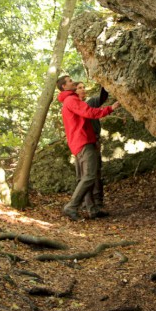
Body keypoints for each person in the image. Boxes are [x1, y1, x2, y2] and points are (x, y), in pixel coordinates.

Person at [57, 75, 120, 221]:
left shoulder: (70, 100)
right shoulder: (71, 100)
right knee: (89, 176)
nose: (73, 83)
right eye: (70, 82)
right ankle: (72, 206)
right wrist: (111, 108)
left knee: (88, 176)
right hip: (83, 143)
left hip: (83, 142)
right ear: (64, 87)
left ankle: (92, 209)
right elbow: (90, 112)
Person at [74, 82, 108, 214]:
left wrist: (104, 82)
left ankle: (98, 202)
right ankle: (86, 204)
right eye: (79, 88)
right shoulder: (72, 106)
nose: (83, 90)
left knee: (95, 173)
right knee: (82, 175)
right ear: (74, 91)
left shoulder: (90, 102)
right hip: (79, 144)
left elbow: (102, 98)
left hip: (93, 142)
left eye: (84, 87)